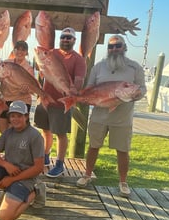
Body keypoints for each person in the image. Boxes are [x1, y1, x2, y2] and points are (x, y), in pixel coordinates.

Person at [76, 35, 146, 197]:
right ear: (107, 49)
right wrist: (86, 99)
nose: (114, 49)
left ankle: (123, 181)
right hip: (99, 116)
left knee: (123, 150)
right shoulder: (98, 67)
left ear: (124, 47)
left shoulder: (134, 67)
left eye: (118, 46)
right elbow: (90, 88)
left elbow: (142, 88)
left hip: (123, 118)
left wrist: (137, 95)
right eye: (111, 47)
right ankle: (87, 175)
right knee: (93, 146)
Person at [34, 27, 87, 177]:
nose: (65, 39)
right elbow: (42, 73)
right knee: (45, 130)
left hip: (61, 103)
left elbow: (79, 80)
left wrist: (71, 95)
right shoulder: (52, 53)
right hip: (45, 100)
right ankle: (45, 156)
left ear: (74, 40)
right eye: (63, 36)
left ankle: (59, 164)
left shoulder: (79, 60)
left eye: (69, 37)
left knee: (60, 133)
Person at [0, 40, 34, 133]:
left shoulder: (28, 68)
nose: (20, 52)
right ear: (14, 51)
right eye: (17, 49)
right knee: (2, 128)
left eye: (23, 50)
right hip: (6, 99)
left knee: (13, 129)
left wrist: (25, 90)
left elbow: (31, 87)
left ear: (26, 52)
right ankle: (7, 147)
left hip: (22, 100)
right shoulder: (6, 63)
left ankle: (15, 147)